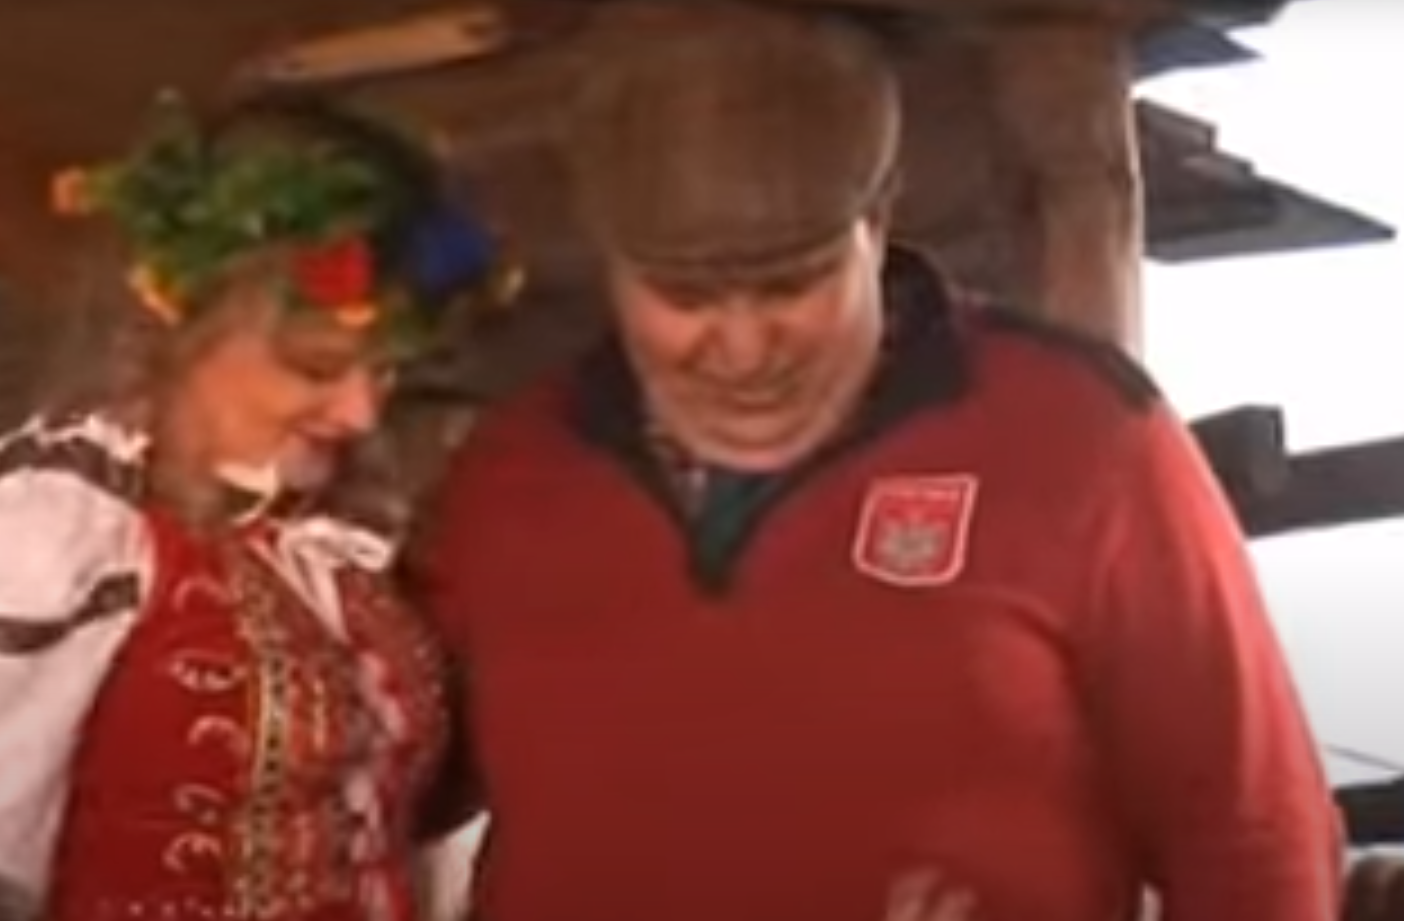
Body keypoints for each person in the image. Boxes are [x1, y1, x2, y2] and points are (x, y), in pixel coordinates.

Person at [409, 4, 1343, 921]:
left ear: (879, 221)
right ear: (611, 263)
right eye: (684, 297)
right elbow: (376, 785)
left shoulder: (1079, 435)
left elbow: (1255, 834)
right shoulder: (509, 473)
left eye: (791, 284)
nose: (743, 348)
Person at [0, 89, 511, 921]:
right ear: (173, 335)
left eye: (386, 369)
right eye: (315, 366)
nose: (363, 412)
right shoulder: (47, 545)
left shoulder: (326, 549)